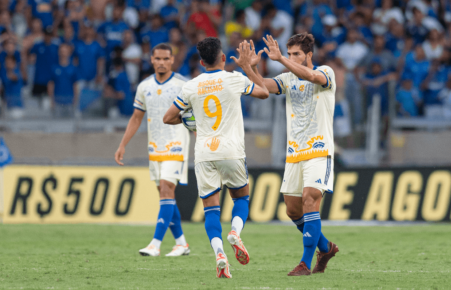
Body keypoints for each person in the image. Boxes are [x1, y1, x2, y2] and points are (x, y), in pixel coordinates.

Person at [163, 37, 268, 278]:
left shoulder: (191, 86)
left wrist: (190, 120)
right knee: (241, 197)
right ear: (223, 58)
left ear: (201, 62)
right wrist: (247, 67)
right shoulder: (234, 78)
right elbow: (263, 93)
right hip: (231, 150)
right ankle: (235, 232)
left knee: (210, 209)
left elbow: (168, 118)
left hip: (204, 153)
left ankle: (220, 254)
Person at [248, 33, 339, 276]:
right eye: (289, 54)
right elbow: (263, 86)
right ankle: (325, 247)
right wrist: (250, 67)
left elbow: (310, 76)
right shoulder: (288, 78)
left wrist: (279, 60)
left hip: (319, 150)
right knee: (292, 210)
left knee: (310, 199)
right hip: (294, 152)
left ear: (309, 55)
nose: (291, 58)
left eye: (296, 54)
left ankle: (304, 264)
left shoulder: (326, 72)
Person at [115, 43, 191, 258]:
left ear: (172, 60)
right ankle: (181, 244)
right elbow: (136, 117)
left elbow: (194, 116)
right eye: (157, 59)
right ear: (151, 60)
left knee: (167, 189)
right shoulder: (144, 86)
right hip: (154, 147)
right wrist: (122, 145)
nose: (161, 62)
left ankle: (155, 244)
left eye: (166, 59)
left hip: (176, 145)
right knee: (165, 195)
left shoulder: (182, 85)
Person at [48, 44, 78, 118]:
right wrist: (51, 100)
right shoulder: (54, 68)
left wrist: (76, 99)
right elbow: (51, 84)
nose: (63, 53)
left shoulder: (73, 68)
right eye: (61, 51)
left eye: (65, 51)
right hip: (57, 101)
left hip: (69, 101)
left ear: (69, 53)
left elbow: (75, 85)